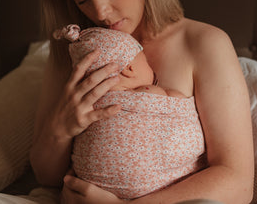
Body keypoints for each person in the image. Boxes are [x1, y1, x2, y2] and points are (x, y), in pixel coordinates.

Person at [30, 0, 254, 203]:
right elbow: (46, 176)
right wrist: (62, 129)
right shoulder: (78, 54)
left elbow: (238, 182)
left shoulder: (204, 44)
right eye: (81, 0)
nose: (100, 12)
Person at [53, 24, 206, 200]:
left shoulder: (84, 105)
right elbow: (176, 104)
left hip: (89, 187)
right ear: (130, 68)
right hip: (152, 188)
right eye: (145, 61)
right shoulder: (148, 92)